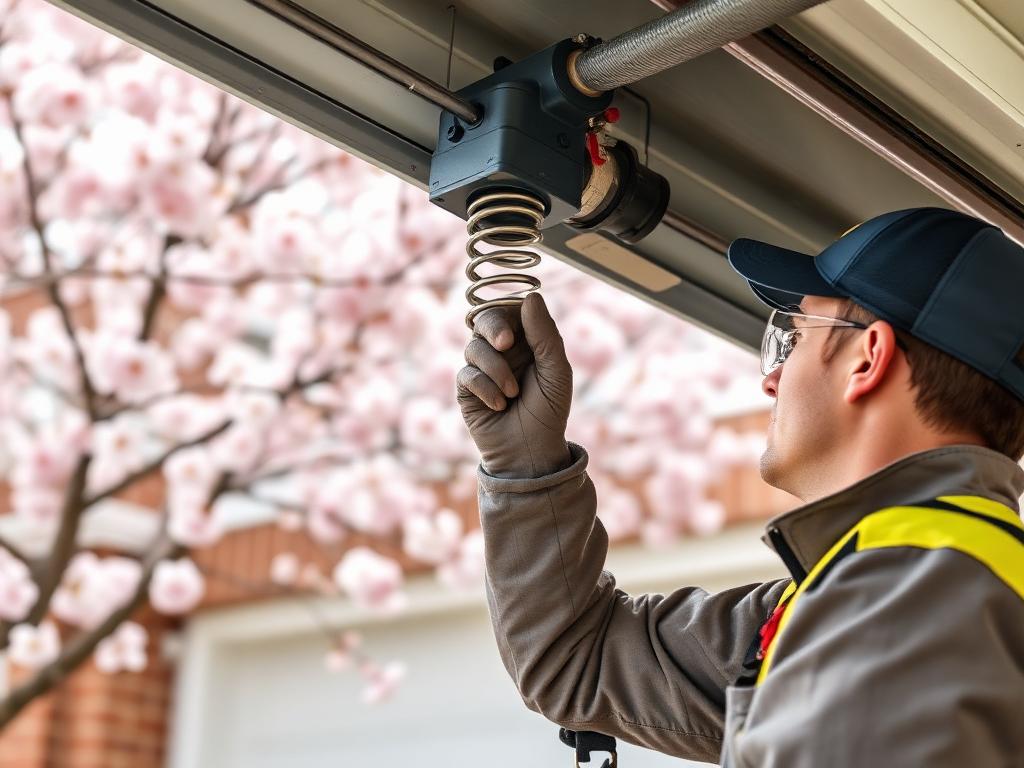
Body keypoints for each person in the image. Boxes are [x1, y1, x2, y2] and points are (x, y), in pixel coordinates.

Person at [456, 206, 1024, 767]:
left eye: (795, 338)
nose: (772, 378)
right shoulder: (872, 592)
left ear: (868, 359)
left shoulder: (908, 599)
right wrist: (525, 466)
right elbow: (578, 660)